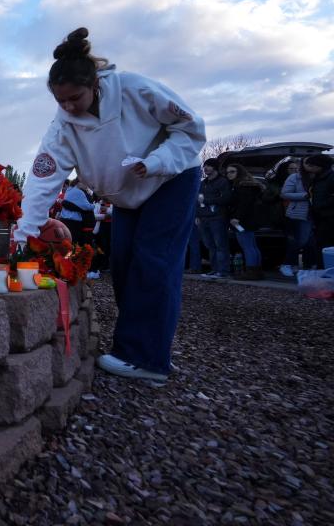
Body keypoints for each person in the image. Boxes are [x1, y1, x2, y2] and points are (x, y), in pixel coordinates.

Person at [15, 27, 205, 383]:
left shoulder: (135, 89)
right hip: (126, 193)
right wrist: (26, 234)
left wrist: (158, 161)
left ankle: (147, 359)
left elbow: (191, 129)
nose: (70, 107)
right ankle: (144, 346)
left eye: (76, 98)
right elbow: (43, 179)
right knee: (123, 265)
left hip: (171, 179)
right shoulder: (63, 127)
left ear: (95, 85)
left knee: (154, 261)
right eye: (61, 101)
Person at [224, 163, 264, 280]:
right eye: (227, 172)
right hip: (249, 219)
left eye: (232, 172)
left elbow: (244, 204)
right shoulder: (249, 185)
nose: (229, 174)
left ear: (239, 172)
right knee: (252, 245)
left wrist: (236, 217)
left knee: (247, 246)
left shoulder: (242, 186)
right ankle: (257, 271)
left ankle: (251, 271)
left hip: (242, 220)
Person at [196, 159, 232, 278]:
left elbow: (226, 199)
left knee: (220, 245)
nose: (205, 168)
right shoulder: (202, 183)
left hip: (218, 218)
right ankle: (214, 269)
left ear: (215, 167)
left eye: (209, 166)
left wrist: (207, 201)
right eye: (205, 166)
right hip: (203, 219)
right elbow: (198, 200)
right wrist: (197, 215)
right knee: (209, 245)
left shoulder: (223, 182)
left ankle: (223, 271)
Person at [279, 159, 313, 276]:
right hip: (298, 213)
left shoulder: (318, 177)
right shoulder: (295, 178)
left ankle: (306, 266)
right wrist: (305, 196)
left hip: (316, 214)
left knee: (310, 242)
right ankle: (287, 264)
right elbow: (284, 193)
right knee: (299, 240)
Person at [304, 154, 334, 255]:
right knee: (321, 242)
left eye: (312, 166)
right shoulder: (318, 177)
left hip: (329, 216)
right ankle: (322, 267)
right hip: (319, 216)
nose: (310, 168)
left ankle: (326, 267)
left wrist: (321, 205)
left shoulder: (331, 177)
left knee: (326, 243)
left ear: (320, 166)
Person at [59, 179, 95, 246]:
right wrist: (93, 205)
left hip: (64, 220)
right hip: (74, 223)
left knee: (65, 243)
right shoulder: (79, 192)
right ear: (79, 182)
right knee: (72, 244)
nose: (87, 186)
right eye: (85, 183)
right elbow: (87, 207)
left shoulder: (68, 190)